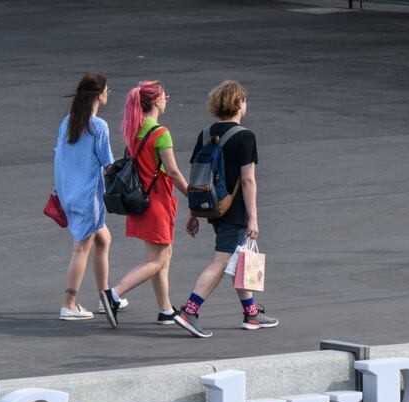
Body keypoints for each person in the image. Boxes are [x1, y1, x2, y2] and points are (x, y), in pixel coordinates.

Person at [173, 80, 278, 338]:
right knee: (222, 260)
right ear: (239, 103)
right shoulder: (245, 136)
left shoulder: (206, 133)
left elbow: (198, 176)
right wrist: (253, 218)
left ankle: (251, 314)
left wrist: (193, 212)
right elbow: (247, 180)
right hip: (236, 210)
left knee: (237, 258)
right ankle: (190, 310)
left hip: (213, 206)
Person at [99, 81, 190, 328]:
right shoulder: (161, 133)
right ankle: (114, 294)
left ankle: (165, 308)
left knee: (162, 257)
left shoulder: (135, 130)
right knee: (157, 261)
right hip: (158, 201)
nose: (167, 99)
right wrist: (192, 194)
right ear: (155, 102)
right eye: (164, 96)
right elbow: (172, 171)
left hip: (142, 201)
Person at [54, 73, 127, 321]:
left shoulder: (68, 122)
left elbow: (59, 159)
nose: (109, 94)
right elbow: (108, 164)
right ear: (99, 95)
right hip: (88, 197)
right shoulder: (98, 127)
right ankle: (69, 303)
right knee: (81, 249)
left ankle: (105, 296)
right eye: (107, 90)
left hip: (69, 194)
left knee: (104, 239)